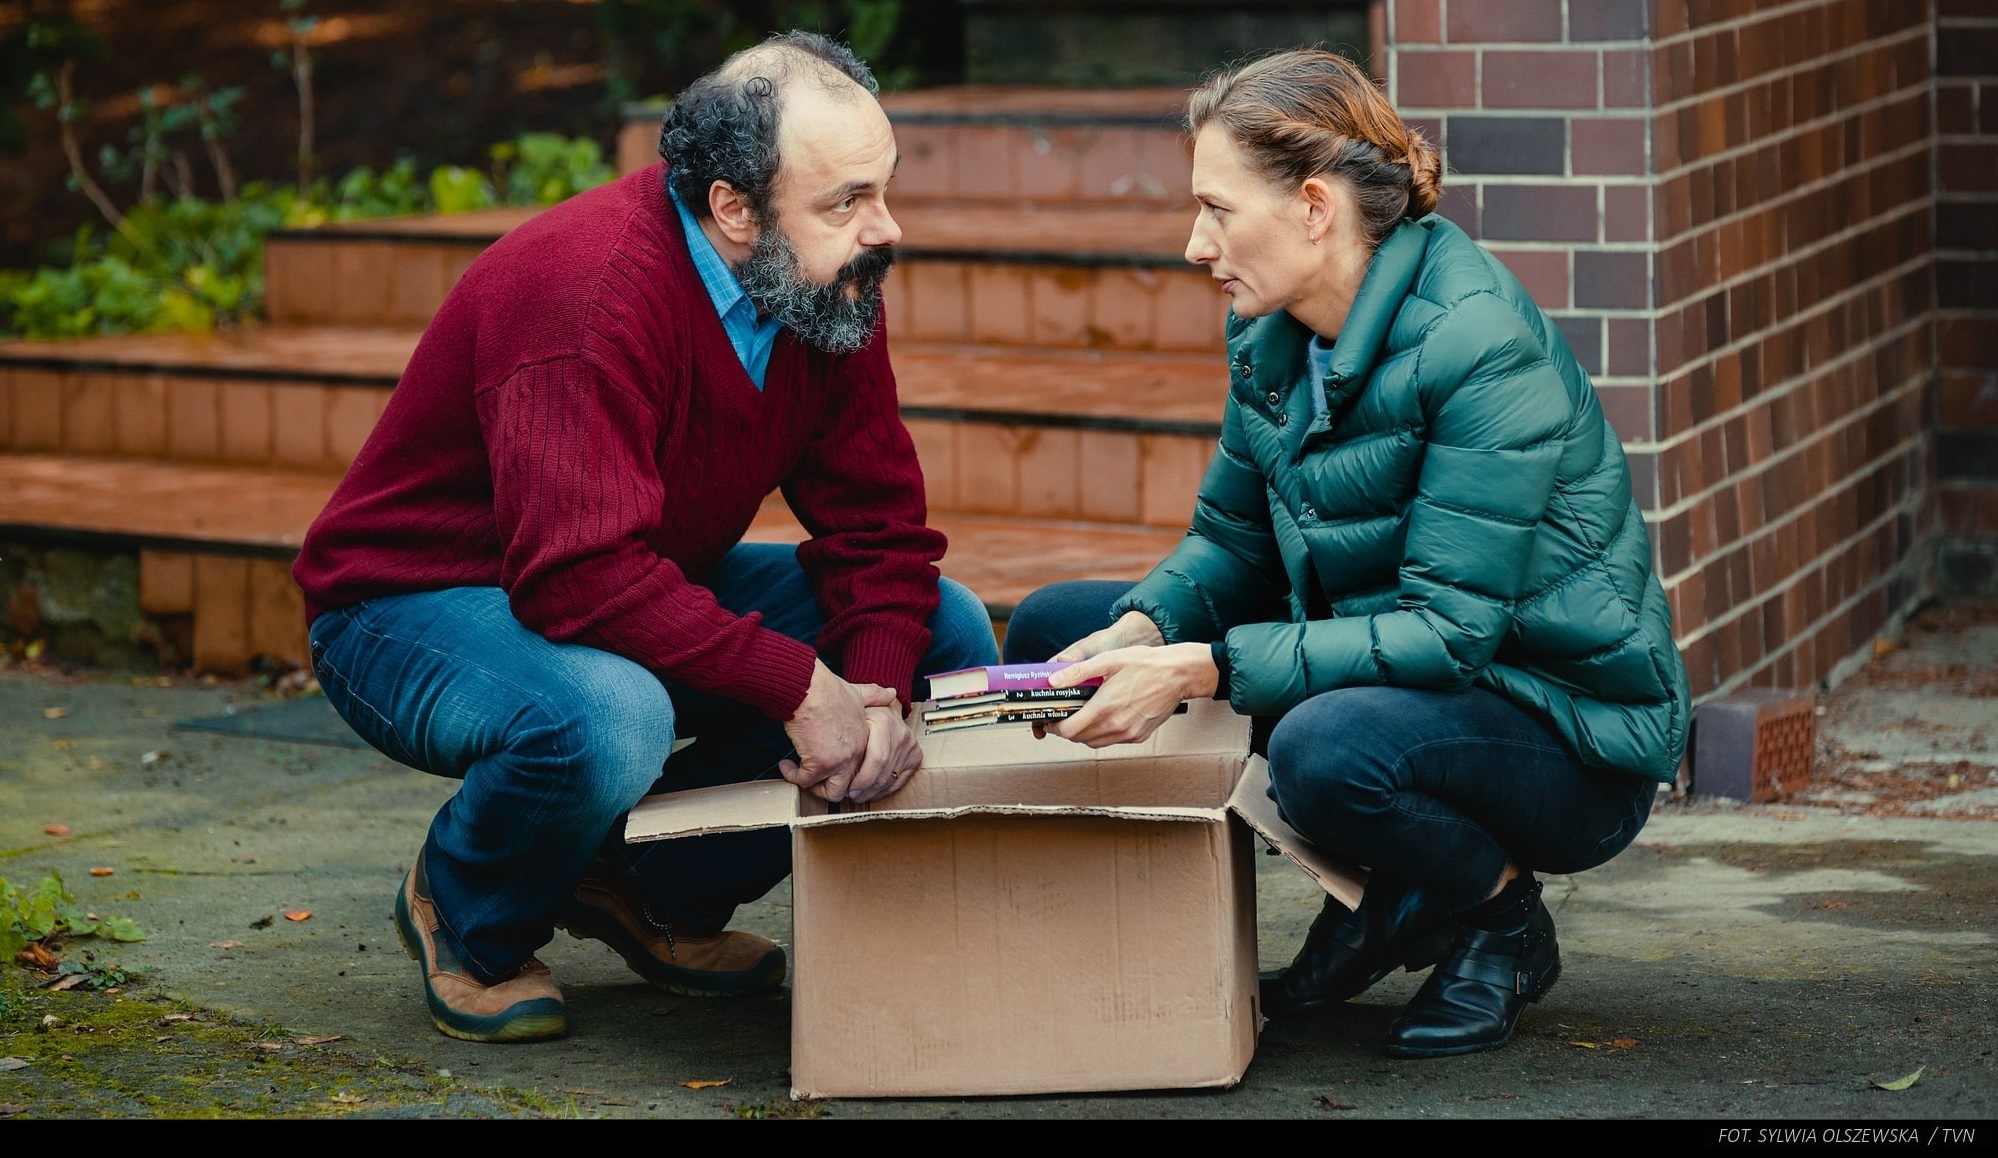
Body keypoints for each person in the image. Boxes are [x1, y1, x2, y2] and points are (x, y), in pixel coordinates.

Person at [293, 31, 999, 1044]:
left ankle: (640, 885)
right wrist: (803, 687)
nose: (885, 228)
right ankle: (467, 907)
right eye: (848, 200)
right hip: (405, 607)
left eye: (883, 190)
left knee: (940, 633)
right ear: (733, 207)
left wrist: (875, 690)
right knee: (610, 716)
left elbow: (880, 526)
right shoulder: (588, 295)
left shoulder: (823, 281)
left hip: (615, 577)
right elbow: (576, 581)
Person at [1002, 48, 1689, 1059]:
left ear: (1315, 208)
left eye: (1218, 210)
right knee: (1068, 628)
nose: (1197, 245)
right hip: (1401, 682)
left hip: (1564, 733)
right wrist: (1146, 627)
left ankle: (1500, 922)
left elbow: (1453, 632)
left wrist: (1203, 668)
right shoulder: (1274, 336)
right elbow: (1231, 543)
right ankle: (1389, 898)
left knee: (1327, 752)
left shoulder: (1478, 345)